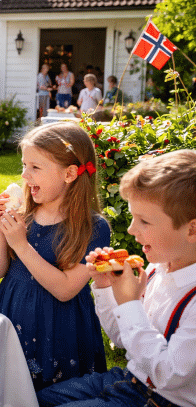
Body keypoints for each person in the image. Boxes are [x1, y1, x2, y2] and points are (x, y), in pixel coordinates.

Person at [38, 149, 196, 407]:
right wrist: (105, 289)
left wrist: (130, 305)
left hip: (162, 400)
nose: (132, 230)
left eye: (144, 221)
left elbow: (168, 374)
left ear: (192, 229)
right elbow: (124, 340)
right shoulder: (159, 268)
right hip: (128, 380)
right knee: (38, 399)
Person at [0, 122, 110, 391]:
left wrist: (21, 246)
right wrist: (1, 230)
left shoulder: (94, 228)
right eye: (24, 165)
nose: (25, 175)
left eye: (35, 167)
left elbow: (66, 289)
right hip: (14, 316)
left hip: (58, 329)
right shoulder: (26, 215)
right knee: (10, 390)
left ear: (69, 174)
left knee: (53, 393)